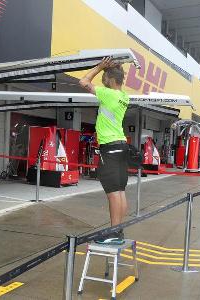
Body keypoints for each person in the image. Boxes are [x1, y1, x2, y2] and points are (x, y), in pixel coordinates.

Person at [79, 57, 130, 245]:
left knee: (112, 193)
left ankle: (113, 233)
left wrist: (99, 67)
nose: (103, 80)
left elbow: (83, 81)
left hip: (110, 147)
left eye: (105, 78)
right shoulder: (124, 96)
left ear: (110, 80)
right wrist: (113, 68)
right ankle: (118, 230)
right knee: (120, 191)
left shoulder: (109, 94)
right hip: (121, 147)